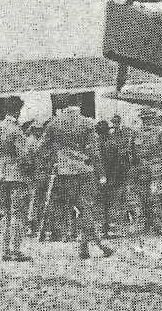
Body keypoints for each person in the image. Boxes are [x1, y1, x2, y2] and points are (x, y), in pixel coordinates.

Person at [42, 101, 114, 259]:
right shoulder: (87, 124)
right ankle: (96, 244)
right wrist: (101, 173)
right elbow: (94, 152)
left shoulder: (54, 124)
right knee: (86, 208)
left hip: (64, 173)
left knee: (80, 209)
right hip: (84, 172)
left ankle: (87, 247)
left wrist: (52, 164)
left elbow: (42, 149)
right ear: (79, 106)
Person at [0, 98, 33, 262]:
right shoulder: (16, 131)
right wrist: (29, 172)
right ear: (18, 111)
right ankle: (15, 249)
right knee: (18, 214)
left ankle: (5, 249)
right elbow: (24, 156)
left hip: (0, 175)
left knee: (4, 214)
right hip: (17, 175)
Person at [100, 115, 134, 237]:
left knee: (117, 200)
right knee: (115, 201)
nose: (115, 124)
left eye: (116, 122)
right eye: (113, 122)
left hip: (117, 171)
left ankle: (113, 226)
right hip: (115, 173)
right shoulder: (110, 138)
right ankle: (113, 226)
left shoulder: (126, 132)